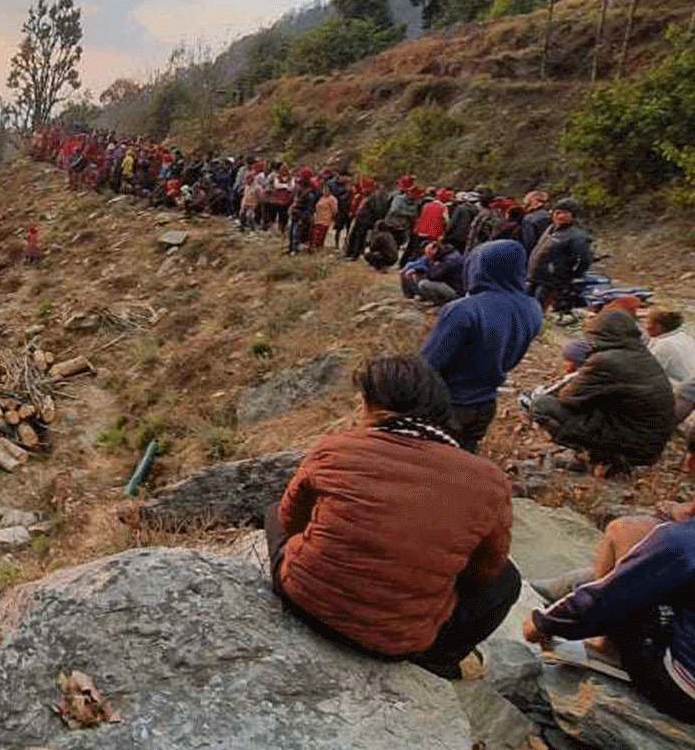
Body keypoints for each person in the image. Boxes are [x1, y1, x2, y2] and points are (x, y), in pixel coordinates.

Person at [266, 355, 518, 680]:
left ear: (375, 407)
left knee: (274, 509)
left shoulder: (336, 448)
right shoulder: (489, 481)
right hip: (394, 643)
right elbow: (485, 572)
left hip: (305, 604)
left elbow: (289, 521)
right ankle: (439, 661)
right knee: (507, 581)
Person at [524, 509, 695, 723]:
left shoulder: (684, 539)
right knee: (651, 562)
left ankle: (606, 647)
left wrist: (543, 624)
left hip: (683, 693)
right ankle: (562, 586)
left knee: (624, 534)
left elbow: (606, 601)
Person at [420, 240, 544, 452]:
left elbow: (428, 364)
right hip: (486, 402)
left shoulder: (464, 310)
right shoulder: (532, 308)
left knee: (428, 465)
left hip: (448, 402)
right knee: (462, 460)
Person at [525, 310, 678, 475]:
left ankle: (601, 458)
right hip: (648, 444)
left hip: (632, 447)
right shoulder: (642, 355)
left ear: (600, 334)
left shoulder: (606, 360)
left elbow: (569, 398)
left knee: (542, 405)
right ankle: (601, 458)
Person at [528, 199, 593, 314]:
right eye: (557, 213)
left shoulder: (577, 235)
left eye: (564, 213)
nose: (560, 216)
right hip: (535, 276)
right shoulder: (551, 229)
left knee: (538, 311)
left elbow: (584, 260)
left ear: (573, 215)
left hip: (551, 281)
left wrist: (569, 276)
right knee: (526, 306)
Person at [401, 241, 464, 306]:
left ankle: (439, 303)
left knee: (423, 283)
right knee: (417, 276)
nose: (428, 256)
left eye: (429, 254)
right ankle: (426, 298)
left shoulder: (450, 260)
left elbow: (434, 276)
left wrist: (419, 272)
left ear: (434, 250)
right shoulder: (445, 255)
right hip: (449, 285)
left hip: (456, 293)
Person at [648, 309, 695, 388]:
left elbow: (646, 372)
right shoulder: (686, 337)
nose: (646, 327)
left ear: (658, 326)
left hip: (682, 392)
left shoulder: (662, 345)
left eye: (648, 322)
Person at [311, 188, 336, 253]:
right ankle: (315, 247)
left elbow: (334, 209)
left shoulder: (332, 199)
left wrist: (332, 217)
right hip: (318, 217)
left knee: (322, 233)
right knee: (316, 233)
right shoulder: (321, 198)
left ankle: (320, 247)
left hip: (326, 218)